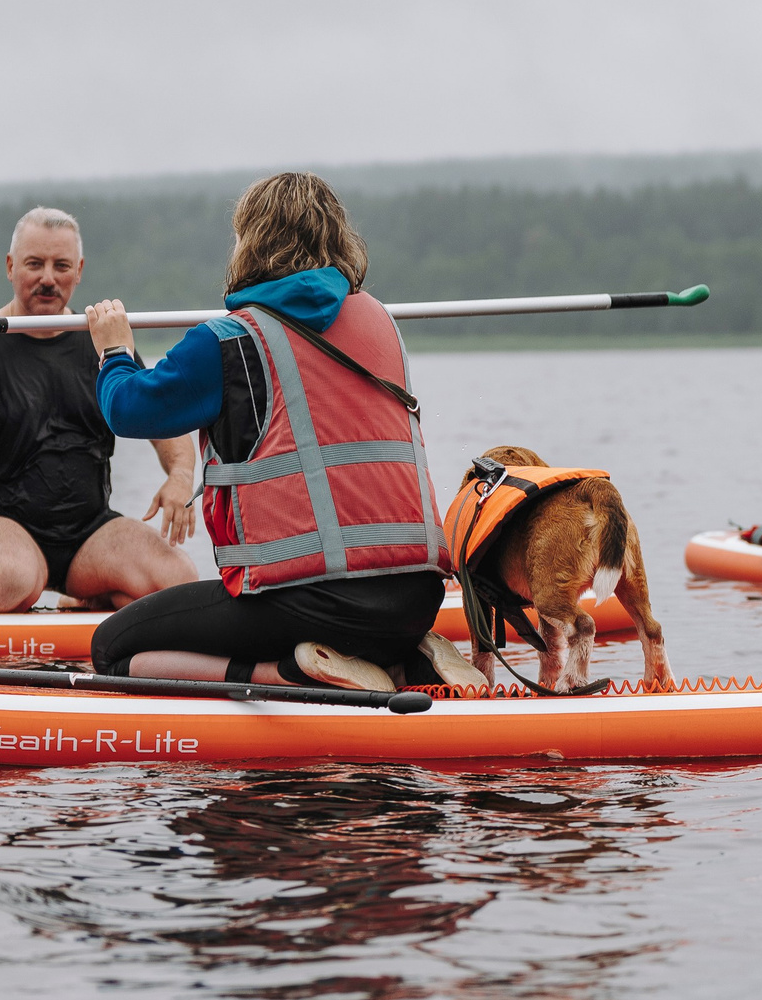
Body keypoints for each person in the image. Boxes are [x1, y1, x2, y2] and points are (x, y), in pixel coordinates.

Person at [84, 173, 486, 693]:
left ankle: (292, 673)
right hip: (415, 601)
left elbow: (126, 409)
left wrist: (114, 350)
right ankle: (407, 660)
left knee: (111, 649)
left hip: (307, 606)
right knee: (360, 621)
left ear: (248, 241)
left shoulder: (227, 343)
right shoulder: (381, 322)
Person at [0, 207, 202, 611]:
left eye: (60, 266)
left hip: (87, 533)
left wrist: (180, 477)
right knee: (10, 581)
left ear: (78, 271)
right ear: (10, 267)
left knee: (179, 581)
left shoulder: (105, 346)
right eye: (34, 264)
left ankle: (85, 593)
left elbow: (168, 428)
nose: (47, 278)